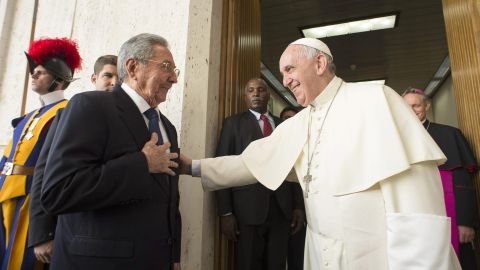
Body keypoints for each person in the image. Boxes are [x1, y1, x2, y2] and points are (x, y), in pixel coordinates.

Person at [181, 38, 461, 269]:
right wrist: (193, 167)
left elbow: (416, 204)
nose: (286, 80)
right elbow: (250, 163)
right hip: (318, 255)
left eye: (290, 69)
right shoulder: (300, 122)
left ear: (320, 63)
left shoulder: (375, 99)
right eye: (282, 74)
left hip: (372, 258)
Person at [39, 33, 182, 270]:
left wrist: (173, 257)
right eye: (166, 67)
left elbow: (170, 200)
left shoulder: (168, 128)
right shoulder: (90, 106)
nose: (173, 79)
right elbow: (58, 191)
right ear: (133, 67)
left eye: (175, 71)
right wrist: (141, 164)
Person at [27, 55, 119, 264]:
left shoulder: (130, 119)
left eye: (119, 78)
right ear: (94, 78)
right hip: (68, 233)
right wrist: (42, 235)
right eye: (108, 75)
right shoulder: (68, 113)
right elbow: (43, 174)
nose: (114, 82)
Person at [0, 37, 81, 270]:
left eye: (41, 72)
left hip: (31, 198)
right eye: (33, 71)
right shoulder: (28, 116)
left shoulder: (67, 112)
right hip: (5, 192)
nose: (33, 75)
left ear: (59, 80)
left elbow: (60, 168)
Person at [215, 78, 305, 270]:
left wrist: (298, 206)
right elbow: (222, 167)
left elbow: (293, 166)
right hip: (247, 212)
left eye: (261, 90)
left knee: (277, 265)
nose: (256, 93)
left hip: (281, 210)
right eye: (251, 90)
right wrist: (226, 212)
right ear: (245, 96)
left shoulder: (284, 126)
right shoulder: (233, 124)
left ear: (268, 95)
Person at [403, 87, 479, 270]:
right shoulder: (395, 139)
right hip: (413, 214)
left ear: (427, 106)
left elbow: (463, 183)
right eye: (406, 106)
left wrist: (465, 222)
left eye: (416, 105)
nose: (412, 111)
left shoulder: (449, 134)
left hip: (447, 213)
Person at [279, 106, 305, 270]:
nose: (288, 122)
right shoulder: (276, 143)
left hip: (302, 214)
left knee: (299, 258)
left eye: (292, 119)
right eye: (285, 119)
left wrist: (299, 207)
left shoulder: (306, 145)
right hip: (277, 214)